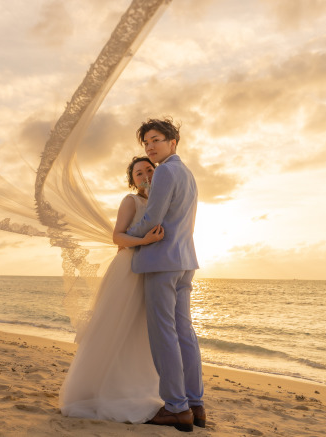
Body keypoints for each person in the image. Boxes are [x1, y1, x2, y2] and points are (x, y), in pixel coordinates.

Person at [59, 156, 166, 423]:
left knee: (141, 330)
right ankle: (98, 389)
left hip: (151, 271)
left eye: (149, 170)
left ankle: (137, 386)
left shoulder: (162, 200)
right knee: (114, 326)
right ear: (133, 180)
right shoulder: (131, 201)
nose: (145, 176)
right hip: (127, 270)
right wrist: (144, 240)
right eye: (139, 173)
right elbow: (117, 236)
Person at [126, 118, 204, 432]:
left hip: (161, 260)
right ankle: (195, 404)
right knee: (185, 333)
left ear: (173, 142)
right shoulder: (188, 174)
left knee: (165, 335)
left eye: (156, 140)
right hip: (185, 261)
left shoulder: (166, 172)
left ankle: (176, 407)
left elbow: (153, 217)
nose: (150, 147)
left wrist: (131, 238)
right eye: (146, 143)